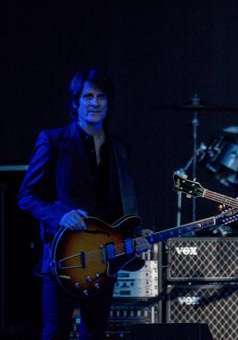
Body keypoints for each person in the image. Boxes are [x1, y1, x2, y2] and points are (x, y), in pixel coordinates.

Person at [17, 70, 150, 340]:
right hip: (63, 256)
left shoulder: (119, 148)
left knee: (95, 334)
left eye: (101, 96)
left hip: (103, 258)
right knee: (54, 333)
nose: (95, 102)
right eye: (88, 96)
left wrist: (136, 235)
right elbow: (26, 194)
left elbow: (121, 208)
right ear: (75, 102)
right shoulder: (53, 140)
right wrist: (60, 214)